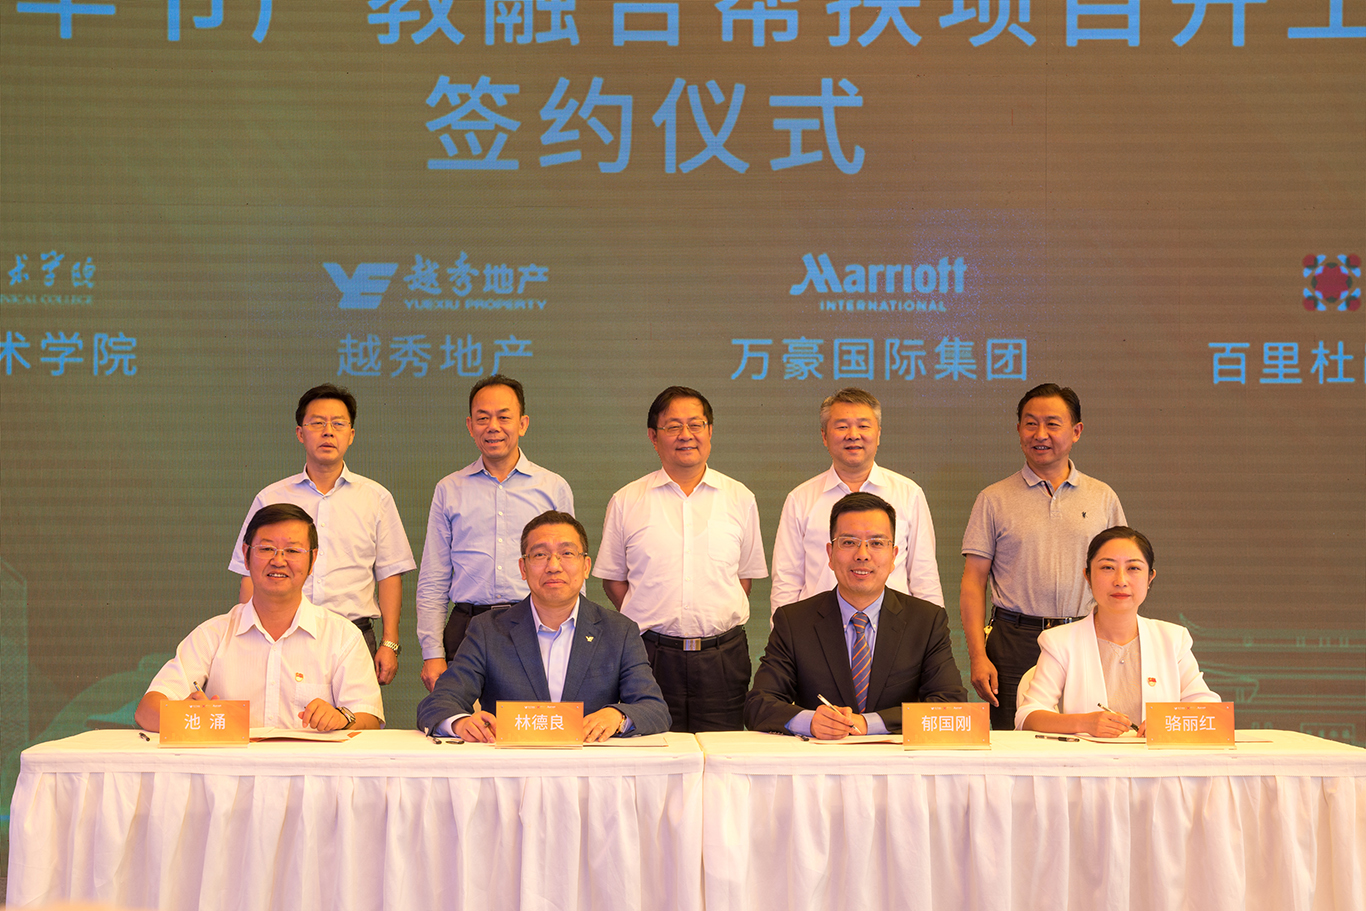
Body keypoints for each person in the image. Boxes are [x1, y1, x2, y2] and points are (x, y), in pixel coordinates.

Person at [593, 386, 767, 733]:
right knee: (652, 749)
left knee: (723, 754)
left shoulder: (740, 498)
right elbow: (613, 578)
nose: (686, 435)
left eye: (695, 425)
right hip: (649, 655)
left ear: (710, 431)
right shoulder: (627, 500)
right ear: (653, 437)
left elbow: (742, 578)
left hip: (723, 657)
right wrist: (651, 616)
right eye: (673, 426)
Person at [417, 511, 670, 742]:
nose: (554, 566)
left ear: (586, 567)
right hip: (510, 768)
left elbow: (654, 709)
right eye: (540, 555)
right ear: (523, 568)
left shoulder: (619, 631)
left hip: (589, 768)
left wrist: (618, 716)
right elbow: (438, 703)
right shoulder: (488, 630)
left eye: (567, 553)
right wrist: (460, 723)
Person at [960, 383, 1126, 729]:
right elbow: (973, 582)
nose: (1040, 434)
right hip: (1013, 641)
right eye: (1030, 423)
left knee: (1090, 735)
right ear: (1018, 429)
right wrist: (977, 656)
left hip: (1084, 635)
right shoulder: (993, 499)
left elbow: (1121, 574)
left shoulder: (1103, 497)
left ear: (1076, 431)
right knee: (1012, 742)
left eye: (1052, 424)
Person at [228, 384, 415, 684]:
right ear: (300, 433)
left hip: (353, 635)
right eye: (317, 423)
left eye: (338, 424)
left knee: (353, 713)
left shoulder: (376, 498)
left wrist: (389, 643)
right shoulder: (272, 498)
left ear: (351, 435)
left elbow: (390, 574)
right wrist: (245, 639)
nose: (328, 432)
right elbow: (250, 574)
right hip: (281, 635)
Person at [137, 504, 383, 732]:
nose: (278, 560)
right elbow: (147, 711)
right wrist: (188, 715)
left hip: (311, 765)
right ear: (246, 555)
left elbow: (369, 718)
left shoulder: (342, 637)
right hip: (232, 765)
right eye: (266, 549)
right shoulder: (212, 635)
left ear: (312, 559)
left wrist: (342, 718)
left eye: (292, 550)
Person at [745, 492, 968, 739]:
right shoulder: (794, 621)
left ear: (893, 556)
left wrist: (868, 723)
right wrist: (810, 721)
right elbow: (759, 705)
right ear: (830, 554)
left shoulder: (926, 621)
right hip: (819, 759)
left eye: (876, 543)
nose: (862, 554)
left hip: (899, 759)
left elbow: (951, 706)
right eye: (849, 542)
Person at [415, 375, 575, 693]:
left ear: (523, 423)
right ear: (470, 425)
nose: (493, 427)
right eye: (482, 418)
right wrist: (432, 653)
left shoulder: (552, 487)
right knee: (468, 720)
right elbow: (434, 578)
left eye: (504, 417)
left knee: (532, 720)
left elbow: (571, 570)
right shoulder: (449, 489)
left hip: (536, 624)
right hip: (467, 628)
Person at [1016, 526, 1219, 735]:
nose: (1120, 581)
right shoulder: (1060, 642)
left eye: (1133, 568)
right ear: (1087, 576)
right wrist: (1084, 724)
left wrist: (1167, 723)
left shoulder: (1173, 639)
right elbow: (1027, 715)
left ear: (1150, 578)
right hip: (1086, 756)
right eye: (1107, 567)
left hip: (1154, 756)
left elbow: (1209, 710)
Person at [770, 387, 943, 616]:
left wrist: (931, 634)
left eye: (863, 426)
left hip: (894, 629)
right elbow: (787, 582)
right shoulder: (800, 499)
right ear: (824, 436)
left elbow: (924, 578)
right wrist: (783, 634)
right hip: (817, 630)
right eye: (842, 426)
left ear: (878, 434)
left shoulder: (909, 494)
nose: (853, 435)